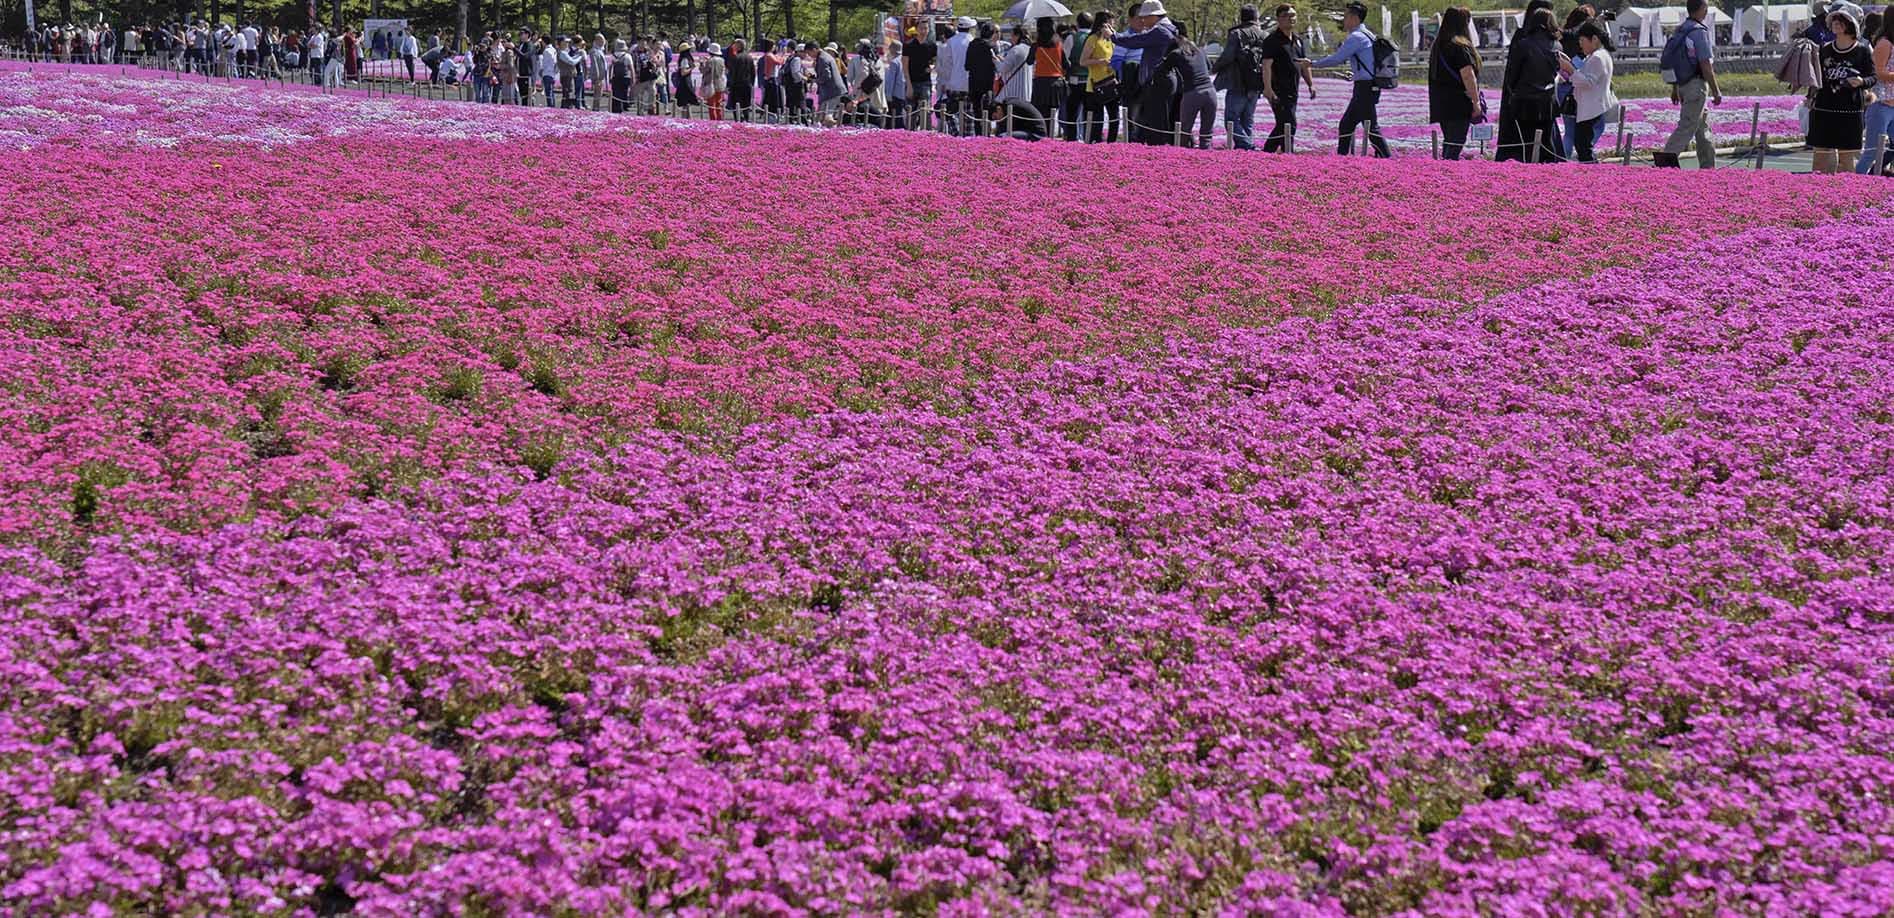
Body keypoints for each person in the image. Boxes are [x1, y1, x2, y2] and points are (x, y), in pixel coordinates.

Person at [1311, 1, 1389, 157]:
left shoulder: (1357, 37)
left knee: (1369, 128)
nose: (1343, 20)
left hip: (1365, 87)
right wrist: (1355, 75)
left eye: (1345, 16)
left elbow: (1337, 59)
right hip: (1367, 84)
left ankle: (1386, 158)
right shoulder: (1368, 34)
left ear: (1354, 18)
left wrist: (1313, 64)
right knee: (1349, 125)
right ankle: (1344, 159)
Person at [1656, 0, 1722, 168]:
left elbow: (1678, 60)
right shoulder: (1699, 31)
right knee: (1686, 126)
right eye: (1706, 7)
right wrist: (1716, 91)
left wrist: (1675, 88)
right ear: (1701, 9)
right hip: (1696, 86)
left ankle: (1709, 168)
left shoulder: (1682, 29)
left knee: (1703, 128)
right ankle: (1663, 165)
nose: (1706, 11)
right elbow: (1705, 64)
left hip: (1683, 85)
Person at [1811, 10, 1873, 172]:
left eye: (1841, 21)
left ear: (1851, 26)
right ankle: (1818, 188)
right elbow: (1817, 77)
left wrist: (1862, 81)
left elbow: (1873, 77)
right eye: (1834, 21)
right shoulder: (1824, 50)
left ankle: (1845, 193)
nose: (1836, 23)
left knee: (1848, 158)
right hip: (1824, 108)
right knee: (1820, 157)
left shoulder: (1862, 51)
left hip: (1850, 110)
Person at [1497, 7, 1561, 162]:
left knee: (1526, 141)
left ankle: (1529, 170)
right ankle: (1547, 169)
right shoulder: (1556, 45)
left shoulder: (1523, 44)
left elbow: (1513, 75)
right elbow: (1555, 72)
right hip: (1548, 101)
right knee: (1546, 140)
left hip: (1525, 101)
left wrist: (1513, 92)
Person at [1114, 0, 1179, 146]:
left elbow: (1135, 41)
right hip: (1162, 80)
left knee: (1156, 124)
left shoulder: (1159, 30)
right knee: (1153, 120)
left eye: (1145, 17)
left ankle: (1156, 153)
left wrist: (1114, 36)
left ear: (1154, 16)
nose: (1142, 20)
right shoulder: (1170, 28)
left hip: (1158, 81)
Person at [1212, 6, 1269, 150]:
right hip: (1257, 83)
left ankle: (1246, 146)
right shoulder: (1265, 35)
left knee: (1231, 119)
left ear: (1241, 17)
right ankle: (1245, 151)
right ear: (1256, 17)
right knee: (1247, 119)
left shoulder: (1237, 34)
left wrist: (1213, 69)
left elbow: (1227, 57)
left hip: (1238, 82)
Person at [1559, 21, 1616, 163]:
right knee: (1583, 145)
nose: (1580, 44)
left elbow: (1588, 82)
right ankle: (1590, 173)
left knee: (1583, 147)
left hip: (1591, 108)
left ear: (1594, 39)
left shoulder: (1597, 57)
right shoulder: (1600, 55)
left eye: (1582, 40)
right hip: (1592, 107)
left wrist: (1570, 69)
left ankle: (1591, 174)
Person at [1430, 6, 1482, 160]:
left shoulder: (1437, 46)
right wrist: (1476, 101)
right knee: (1456, 143)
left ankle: (1445, 171)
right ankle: (1447, 174)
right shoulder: (1460, 46)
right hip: (1458, 102)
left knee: (1449, 141)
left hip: (1441, 102)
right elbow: (1467, 75)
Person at [1260, 5, 1314, 153]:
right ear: (1278, 19)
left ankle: (1283, 154)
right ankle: (1271, 153)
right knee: (1289, 123)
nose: (1291, 18)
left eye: (1293, 15)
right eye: (1286, 15)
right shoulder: (1272, 40)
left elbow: (1304, 65)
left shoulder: (1298, 40)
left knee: (1284, 125)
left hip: (1293, 90)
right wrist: (1268, 88)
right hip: (1277, 90)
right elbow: (1266, 65)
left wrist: (1311, 84)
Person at [1161, 22, 1216, 147]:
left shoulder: (1176, 53)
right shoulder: (1200, 50)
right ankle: (1207, 163)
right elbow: (1209, 68)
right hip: (1210, 92)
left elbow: (1163, 70)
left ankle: (1182, 161)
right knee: (1206, 135)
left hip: (1193, 93)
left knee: (1184, 132)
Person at [1556, 6, 1596, 161]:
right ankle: (1584, 156)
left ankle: (1564, 161)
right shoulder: (1580, 35)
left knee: (1570, 130)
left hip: (1563, 86)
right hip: (1577, 85)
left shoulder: (1564, 35)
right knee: (1593, 126)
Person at [1858, 14, 1894, 171]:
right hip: (1881, 104)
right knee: (1871, 152)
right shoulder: (1885, 44)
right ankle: (1856, 184)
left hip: (1892, 105)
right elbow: (1876, 73)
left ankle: (1874, 176)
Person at [995, 22, 1041, 136]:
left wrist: (995, 60)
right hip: (1026, 92)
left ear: (1017, 36)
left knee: (1009, 122)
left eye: (1012, 35)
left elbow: (1004, 69)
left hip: (1012, 92)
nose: (1011, 38)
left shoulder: (1015, 50)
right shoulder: (1030, 49)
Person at [1080, 11, 1118, 142]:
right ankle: (1095, 144)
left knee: (1115, 117)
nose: (1113, 26)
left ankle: (1112, 144)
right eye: (1111, 23)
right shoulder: (1093, 39)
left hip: (1111, 82)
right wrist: (1099, 61)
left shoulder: (1112, 39)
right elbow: (1083, 61)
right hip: (1096, 84)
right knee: (1097, 119)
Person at [1061, 14, 1095, 141]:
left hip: (1075, 81)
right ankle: (1090, 138)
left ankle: (1072, 138)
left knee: (1072, 112)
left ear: (1078, 23)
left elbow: (1065, 58)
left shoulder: (1072, 38)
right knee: (1089, 112)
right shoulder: (1094, 37)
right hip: (1092, 80)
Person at [1031, 19, 1066, 134]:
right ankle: (1051, 135)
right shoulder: (1059, 44)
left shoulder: (1036, 46)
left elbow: (1029, 61)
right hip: (1056, 82)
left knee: (1040, 114)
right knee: (1052, 113)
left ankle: (1042, 135)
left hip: (1040, 83)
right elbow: (1066, 64)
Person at [940, 17, 975, 133]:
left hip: (953, 84)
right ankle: (968, 137)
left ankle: (955, 134)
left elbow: (947, 65)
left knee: (951, 111)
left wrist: (946, 81)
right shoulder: (972, 41)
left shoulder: (951, 41)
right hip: (968, 84)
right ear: (969, 28)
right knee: (968, 115)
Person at [967, 22, 999, 134]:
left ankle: (978, 134)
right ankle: (986, 134)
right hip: (987, 85)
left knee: (976, 112)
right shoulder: (992, 46)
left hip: (974, 83)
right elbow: (997, 65)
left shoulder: (972, 44)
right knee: (988, 111)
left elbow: (967, 66)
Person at [904, 24, 937, 130]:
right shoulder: (908, 45)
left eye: (926, 28)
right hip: (912, 81)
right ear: (917, 29)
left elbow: (938, 60)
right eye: (921, 28)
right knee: (911, 111)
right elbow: (905, 66)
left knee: (926, 110)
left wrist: (932, 67)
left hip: (925, 82)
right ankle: (909, 133)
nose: (923, 31)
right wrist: (908, 85)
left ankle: (926, 134)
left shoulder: (932, 45)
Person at [816, 42, 847, 124]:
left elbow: (827, 75)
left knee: (828, 113)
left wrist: (817, 80)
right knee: (825, 112)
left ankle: (834, 124)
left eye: (830, 51)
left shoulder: (827, 59)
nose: (829, 52)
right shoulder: (827, 58)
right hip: (832, 88)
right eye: (828, 50)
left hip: (832, 89)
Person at [727, 39, 756, 120]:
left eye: (735, 45)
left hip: (736, 85)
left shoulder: (735, 57)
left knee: (736, 104)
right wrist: (752, 83)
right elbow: (753, 72)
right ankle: (746, 118)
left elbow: (732, 73)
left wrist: (729, 85)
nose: (733, 46)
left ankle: (738, 120)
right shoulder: (749, 57)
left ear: (739, 46)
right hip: (747, 84)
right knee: (746, 103)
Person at [884, 40, 909, 128]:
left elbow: (891, 80)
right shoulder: (906, 60)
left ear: (893, 49)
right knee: (903, 113)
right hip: (904, 92)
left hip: (895, 93)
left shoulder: (894, 62)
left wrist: (888, 95)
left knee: (893, 115)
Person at [701, 43, 729, 119]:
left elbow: (704, 71)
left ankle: (713, 121)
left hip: (711, 84)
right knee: (718, 103)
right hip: (720, 84)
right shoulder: (722, 60)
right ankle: (720, 119)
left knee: (711, 104)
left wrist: (702, 64)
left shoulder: (710, 61)